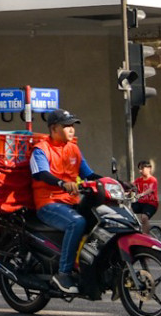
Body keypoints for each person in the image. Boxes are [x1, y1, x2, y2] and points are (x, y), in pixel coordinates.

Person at [29, 110, 100, 295]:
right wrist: (61, 183)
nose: (71, 130)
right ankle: (64, 273)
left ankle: (86, 266)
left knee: (99, 219)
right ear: (54, 128)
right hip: (48, 203)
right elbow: (41, 173)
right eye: (67, 126)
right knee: (77, 222)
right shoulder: (41, 149)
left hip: (70, 202)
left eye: (73, 126)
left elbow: (89, 175)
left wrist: (116, 182)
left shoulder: (73, 149)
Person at [131, 160, 159, 230]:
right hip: (141, 203)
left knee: (144, 218)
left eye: (142, 168)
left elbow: (151, 189)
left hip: (151, 203)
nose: (140, 171)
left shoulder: (153, 180)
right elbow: (131, 187)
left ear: (149, 168)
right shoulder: (138, 180)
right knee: (128, 211)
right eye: (139, 169)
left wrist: (142, 194)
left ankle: (146, 235)